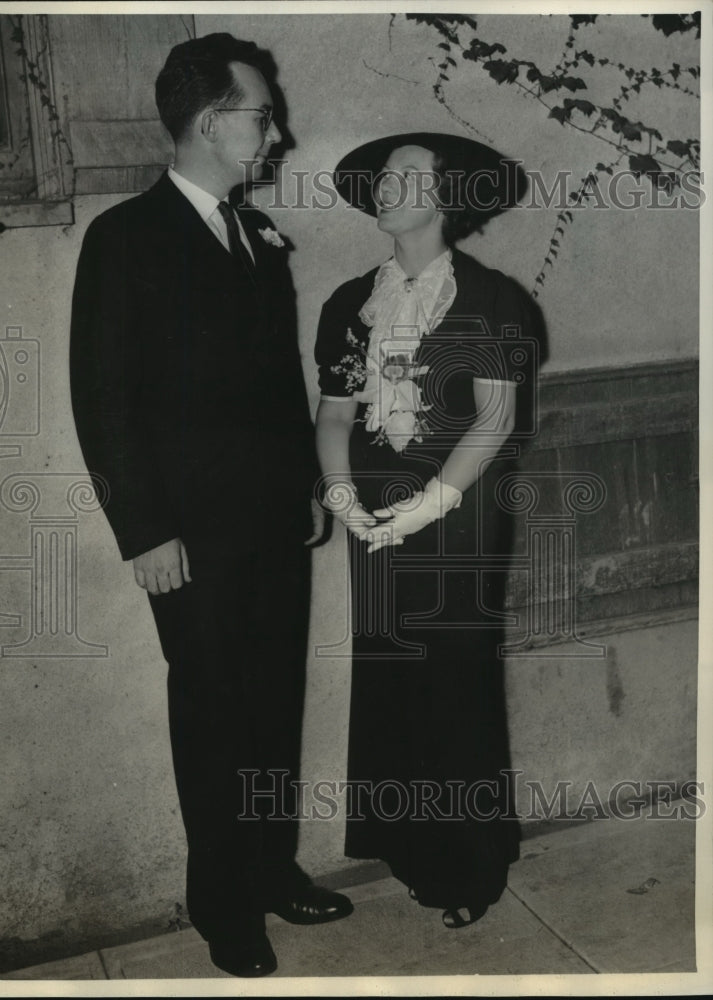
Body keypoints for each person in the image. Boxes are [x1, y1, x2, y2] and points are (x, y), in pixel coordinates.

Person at [70, 32, 352, 979]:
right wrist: (143, 530)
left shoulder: (252, 236)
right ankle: (221, 904)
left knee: (272, 705)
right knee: (214, 714)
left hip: (272, 521)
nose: (276, 132)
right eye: (262, 114)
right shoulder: (125, 238)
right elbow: (101, 398)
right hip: (188, 539)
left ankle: (270, 871)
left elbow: (276, 387)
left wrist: (306, 488)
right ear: (208, 121)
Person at [315, 132, 544, 928]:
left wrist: (429, 503)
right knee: (391, 675)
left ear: (445, 196)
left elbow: (497, 417)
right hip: (371, 514)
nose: (387, 185)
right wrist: (342, 496)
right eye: (382, 175)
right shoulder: (351, 300)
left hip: (458, 513)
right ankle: (410, 851)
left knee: (452, 680)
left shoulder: (488, 297)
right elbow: (335, 413)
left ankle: (468, 870)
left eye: (407, 175)